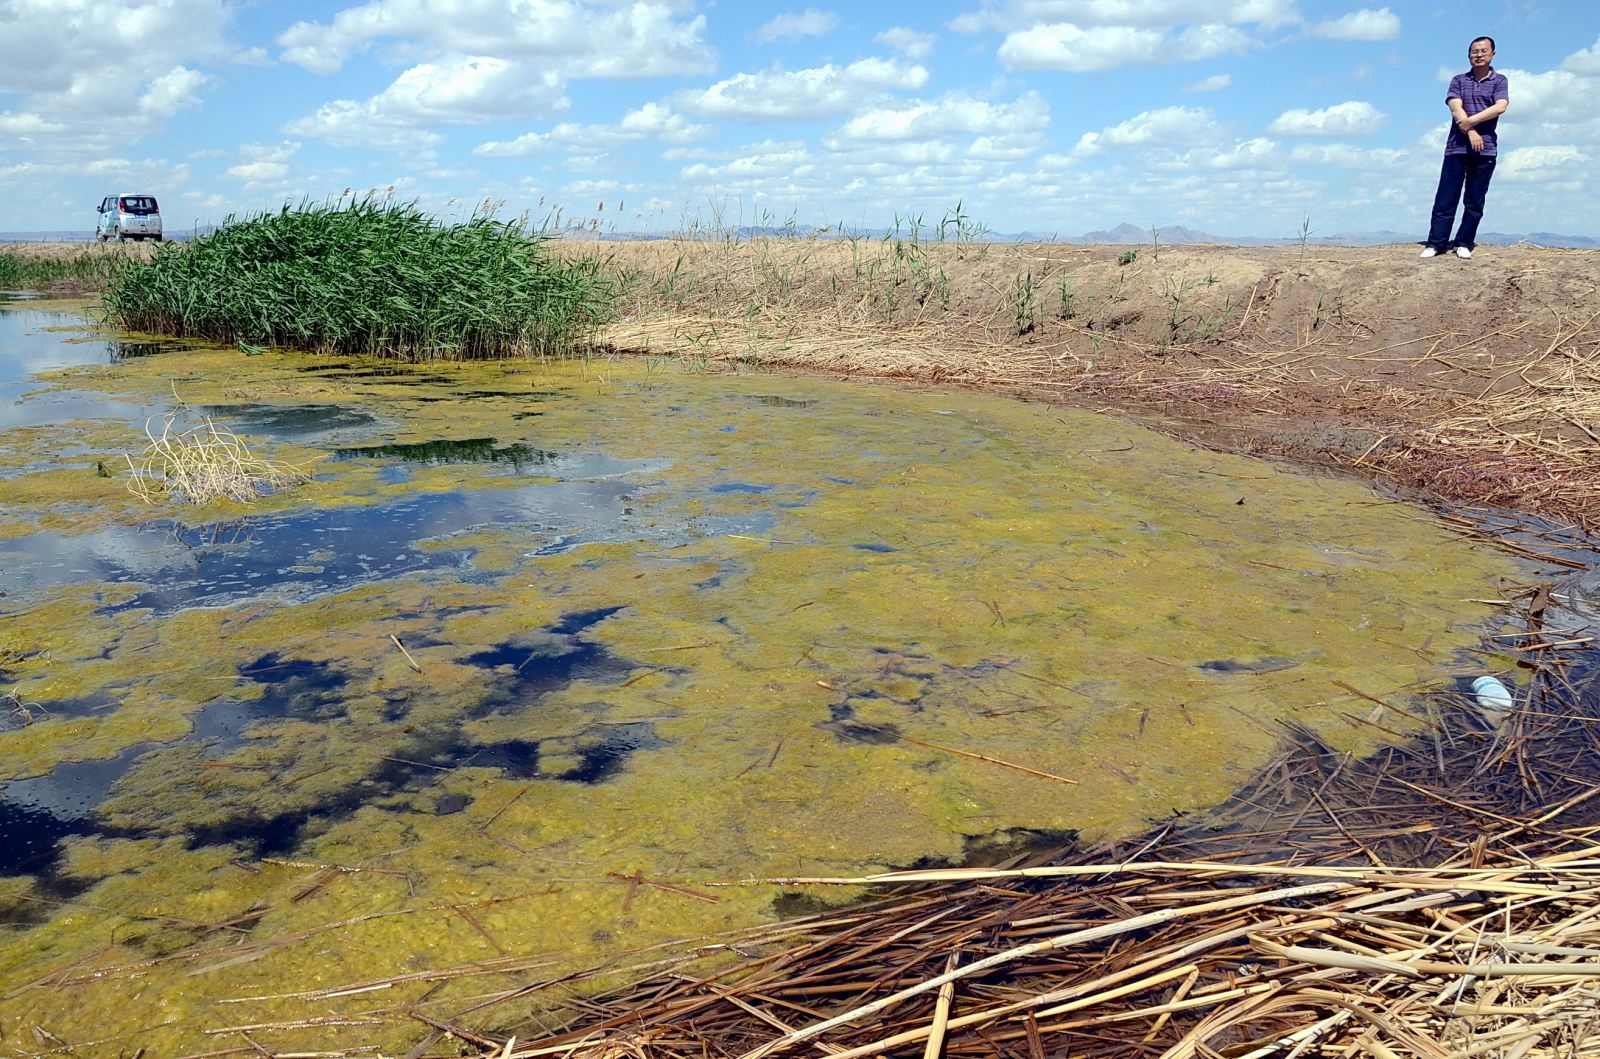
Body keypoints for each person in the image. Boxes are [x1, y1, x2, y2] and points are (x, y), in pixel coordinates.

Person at [1421, 36, 1509, 260]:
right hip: (1456, 148)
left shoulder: (1500, 81)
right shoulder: (1458, 80)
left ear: (1492, 54)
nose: (1478, 55)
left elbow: (1500, 106)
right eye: (1474, 51)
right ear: (1469, 55)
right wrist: (1469, 130)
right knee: (1445, 198)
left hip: (1485, 149)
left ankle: (1464, 242)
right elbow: (1455, 107)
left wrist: (1471, 122)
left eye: (1483, 51)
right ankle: (1436, 244)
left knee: (1474, 200)